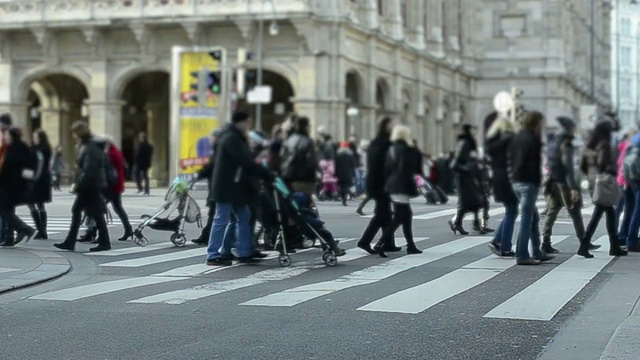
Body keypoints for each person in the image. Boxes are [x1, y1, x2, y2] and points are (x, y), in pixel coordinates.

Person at [206, 111, 275, 266]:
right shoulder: (231, 138)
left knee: (243, 216)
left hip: (234, 186)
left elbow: (245, 159)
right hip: (227, 186)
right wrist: (266, 174)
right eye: (248, 122)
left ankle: (244, 251)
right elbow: (245, 160)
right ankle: (213, 253)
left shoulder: (233, 136)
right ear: (242, 122)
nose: (249, 125)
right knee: (221, 219)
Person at [541, 116, 596, 254]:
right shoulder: (567, 144)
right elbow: (569, 168)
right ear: (569, 129)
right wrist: (573, 188)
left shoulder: (553, 142)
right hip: (565, 184)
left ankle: (545, 242)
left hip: (553, 181)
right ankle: (584, 242)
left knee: (552, 212)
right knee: (575, 212)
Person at [54, 121, 111, 252]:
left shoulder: (90, 147)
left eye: (74, 133)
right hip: (91, 184)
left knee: (81, 211)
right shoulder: (89, 145)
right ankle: (101, 242)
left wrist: (79, 186)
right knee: (95, 214)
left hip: (90, 185)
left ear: (78, 133)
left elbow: (89, 170)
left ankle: (72, 241)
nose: (73, 136)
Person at [509, 111, 554, 265]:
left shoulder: (516, 137)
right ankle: (522, 255)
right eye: (541, 122)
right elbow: (533, 163)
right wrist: (538, 181)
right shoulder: (533, 139)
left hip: (516, 181)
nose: (542, 125)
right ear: (535, 123)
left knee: (533, 218)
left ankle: (536, 251)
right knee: (527, 220)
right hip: (528, 182)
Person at [580, 120, 628, 258]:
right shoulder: (604, 145)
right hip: (603, 182)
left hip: (593, 181)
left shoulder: (590, 144)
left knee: (609, 214)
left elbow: (583, 165)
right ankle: (585, 246)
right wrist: (611, 170)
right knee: (599, 215)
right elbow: (603, 164)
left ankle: (614, 246)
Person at [373, 125, 423, 257]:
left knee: (406, 215)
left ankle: (411, 245)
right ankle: (381, 243)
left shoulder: (392, 149)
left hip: (392, 185)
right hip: (402, 185)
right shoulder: (407, 150)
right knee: (401, 217)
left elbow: (386, 168)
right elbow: (407, 169)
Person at [356, 117, 400, 254]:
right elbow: (387, 165)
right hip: (381, 183)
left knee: (385, 214)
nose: (394, 127)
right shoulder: (385, 143)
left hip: (377, 182)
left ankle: (389, 243)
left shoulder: (377, 142)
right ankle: (364, 241)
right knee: (381, 215)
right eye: (392, 125)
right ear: (386, 127)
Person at [485, 115, 517, 257]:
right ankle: (505, 246)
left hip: (498, 176)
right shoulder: (510, 140)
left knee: (510, 211)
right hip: (509, 177)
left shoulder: (492, 142)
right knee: (512, 211)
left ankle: (498, 240)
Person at [0, 127, 37, 246]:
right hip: (18, 184)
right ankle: (9, 238)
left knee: (4, 209)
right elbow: (30, 166)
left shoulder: (13, 149)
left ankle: (24, 229)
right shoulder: (24, 147)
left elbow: (8, 167)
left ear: (11, 136)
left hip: (9, 184)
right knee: (8, 209)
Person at [448, 124, 484, 235]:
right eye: (473, 130)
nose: (475, 132)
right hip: (464, 178)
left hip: (470, 177)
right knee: (469, 202)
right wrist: (468, 168)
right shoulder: (464, 143)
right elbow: (454, 164)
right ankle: (459, 223)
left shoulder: (469, 143)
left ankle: (464, 223)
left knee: (474, 202)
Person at [191, 129, 222, 245]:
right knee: (214, 214)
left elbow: (209, 168)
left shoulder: (218, 151)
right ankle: (205, 236)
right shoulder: (218, 151)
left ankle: (207, 237)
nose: (211, 141)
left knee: (215, 215)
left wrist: (198, 175)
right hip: (216, 187)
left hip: (217, 187)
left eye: (212, 138)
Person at [280, 116, 318, 197]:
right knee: (305, 203)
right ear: (305, 127)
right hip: (304, 178)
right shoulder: (307, 141)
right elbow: (311, 162)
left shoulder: (289, 139)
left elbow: (282, 155)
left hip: (288, 176)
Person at [28, 129, 53, 240]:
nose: (34, 139)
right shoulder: (44, 149)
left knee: (33, 203)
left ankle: (41, 230)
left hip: (38, 179)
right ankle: (42, 230)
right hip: (43, 178)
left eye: (36, 137)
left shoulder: (41, 150)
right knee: (38, 204)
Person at [335, 141, 356, 206]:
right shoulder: (350, 154)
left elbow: (336, 164)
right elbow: (353, 164)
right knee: (346, 186)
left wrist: (335, 172)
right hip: (348, 172)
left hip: (340, 172)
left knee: (341, 186)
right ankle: (344, 199)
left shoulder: (338, 154)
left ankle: (342, 197)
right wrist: (353, 172)